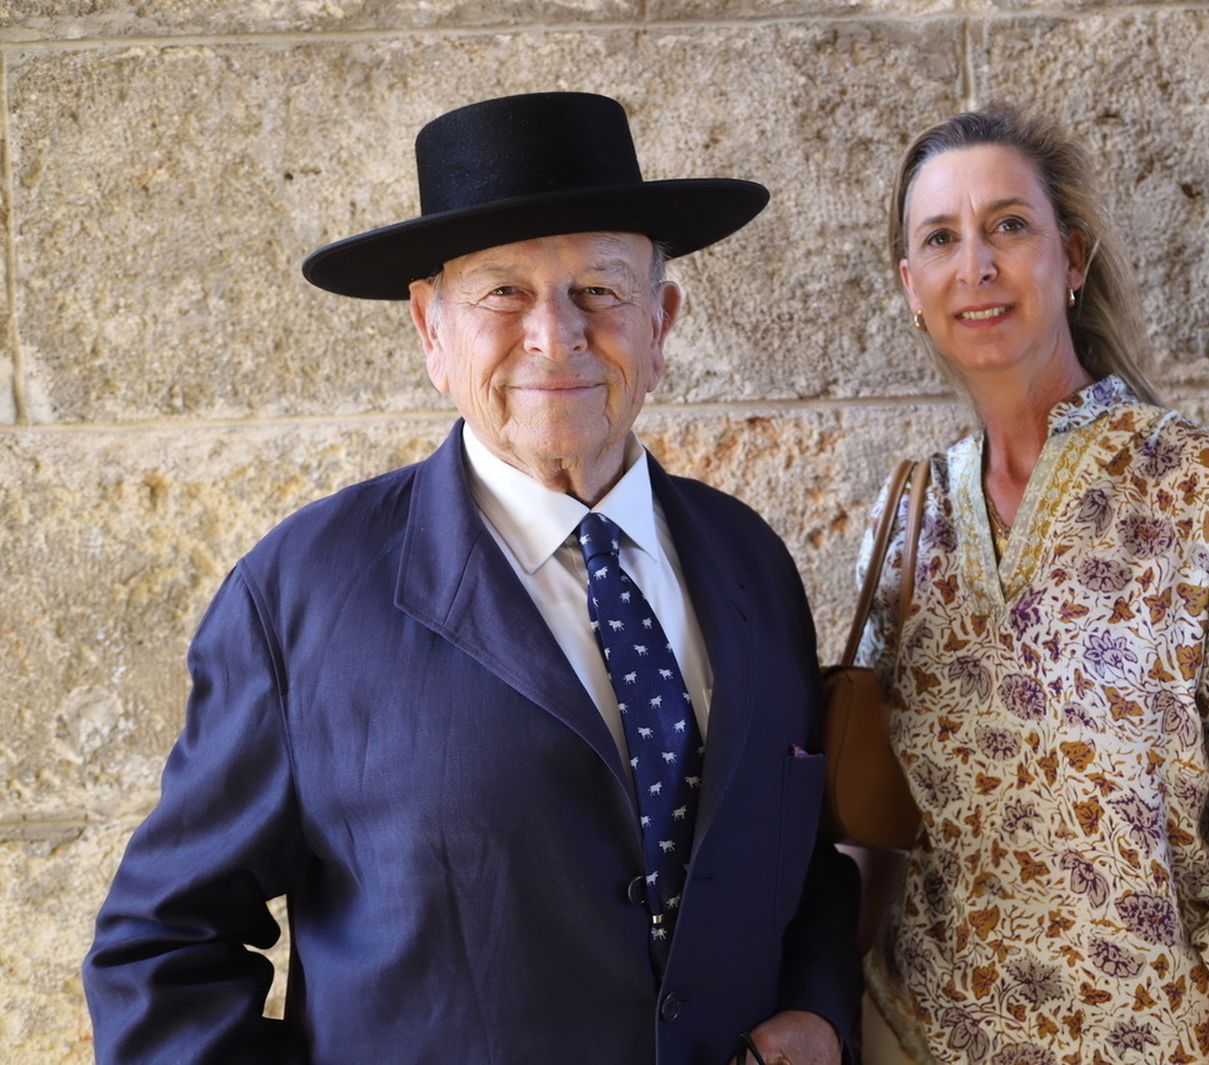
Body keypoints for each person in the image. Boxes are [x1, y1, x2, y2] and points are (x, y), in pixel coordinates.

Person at [83, 92, 859, 1065]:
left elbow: (795, 863)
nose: (555, 336)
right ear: (430, 331)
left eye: (600, 291)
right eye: (502, 293)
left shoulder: (749, 561)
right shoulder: (300, 597)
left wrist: (822, 1011)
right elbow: (162, 954)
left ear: (659, 322)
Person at [848, 106, 1209, 1064]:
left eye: (1009, 225)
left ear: (1071, 259)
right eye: (941, 239)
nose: (979, 266)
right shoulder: (907, 517)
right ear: (910, 286)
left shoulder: (1208, 493)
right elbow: (876, 828)